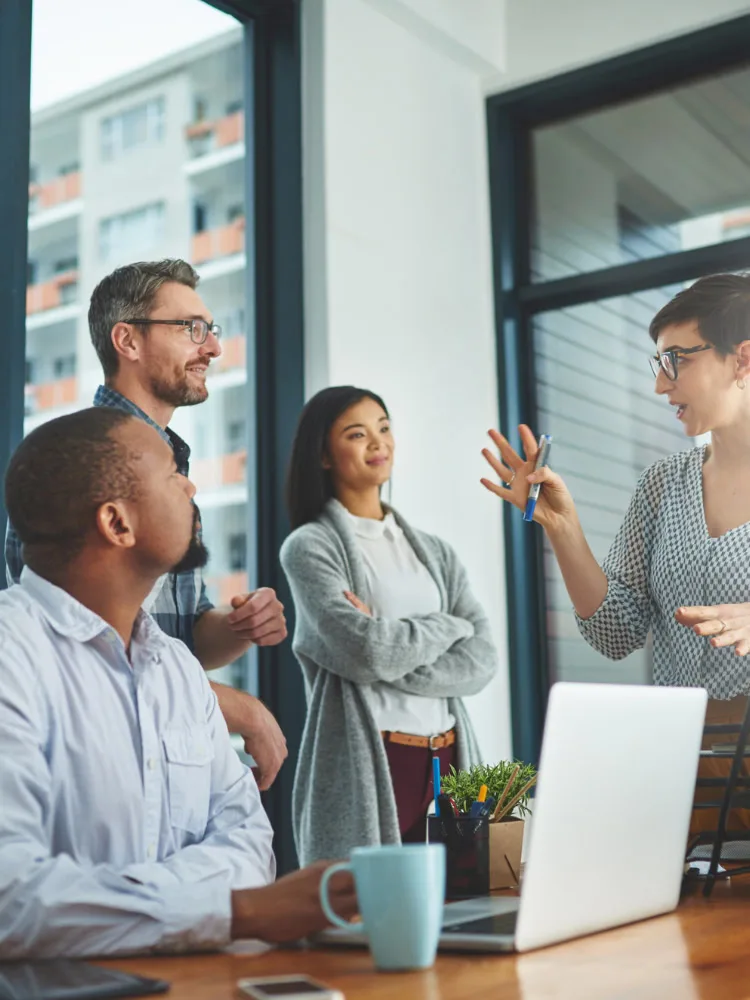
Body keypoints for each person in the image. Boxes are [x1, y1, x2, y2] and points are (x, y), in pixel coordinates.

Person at [0, 408, 356, 958]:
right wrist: (236, 912)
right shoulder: (11, 654)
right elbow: (12, 899)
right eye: (172, 473)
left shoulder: (178, 667)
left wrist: (128, 908)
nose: (190, 484)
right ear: (117, 524)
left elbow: (250, 844)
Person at [480, 272, 750, 833]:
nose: (660, 386)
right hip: (683, 778)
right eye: (659, 364)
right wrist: (563, 527)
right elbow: (616, 632)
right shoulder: (663, 484)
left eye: (677, 359)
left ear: (742, 359)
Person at [6, 259, 288, 791]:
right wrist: (233, 706)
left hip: (168, 753)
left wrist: (237, 627)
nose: (213, 348)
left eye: (212, 330)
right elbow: (74, 652)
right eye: (191, 328)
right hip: (97, 765)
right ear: (127, 341)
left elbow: (184, 636)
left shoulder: (175, 471)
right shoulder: (72, 463)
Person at [280, 386, 498, 864]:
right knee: (371, 921)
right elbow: (368, 653)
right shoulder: (309, 547)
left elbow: (483, 661)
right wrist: (448, 626)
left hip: (450, 755)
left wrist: (389, 643)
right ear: (322, 455)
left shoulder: (435, 551)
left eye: (384, 428)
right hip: (375, 759)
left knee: (471, 915)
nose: (379, 443)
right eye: (357, 434)